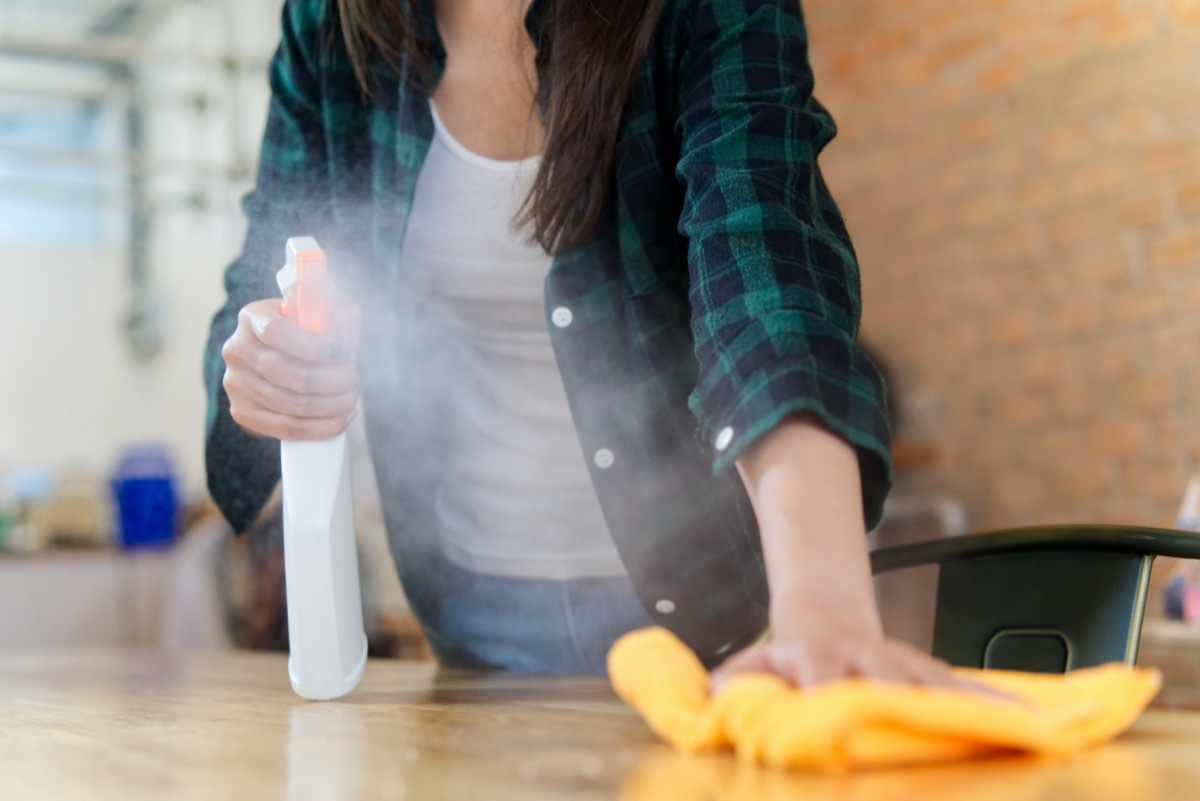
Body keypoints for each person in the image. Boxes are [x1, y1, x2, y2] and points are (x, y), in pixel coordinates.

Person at [205, 0, 963, 690]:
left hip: (709, 610)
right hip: (467, 610)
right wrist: (265, 365)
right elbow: (260, 276)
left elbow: (767, 283)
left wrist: (823, 603)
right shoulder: (330, 26)